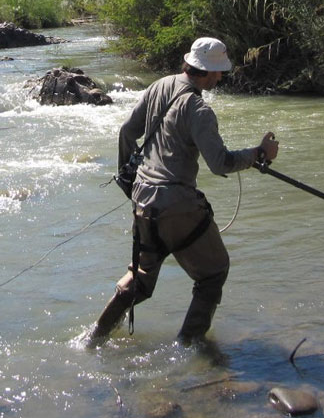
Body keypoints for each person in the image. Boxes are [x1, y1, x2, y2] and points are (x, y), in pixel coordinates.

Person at [87, 36, 279, 347]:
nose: (220, 76)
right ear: (205, 71)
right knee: (214, 273)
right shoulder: (199, 109)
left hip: (143, 201)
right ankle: (187, 348)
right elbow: (221, 163)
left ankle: (93, 338)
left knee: (142, 279)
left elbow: (126, 131)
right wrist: (259, 153)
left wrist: (130, 179)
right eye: (218, 71)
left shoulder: (159, 86)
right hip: (177, 206)